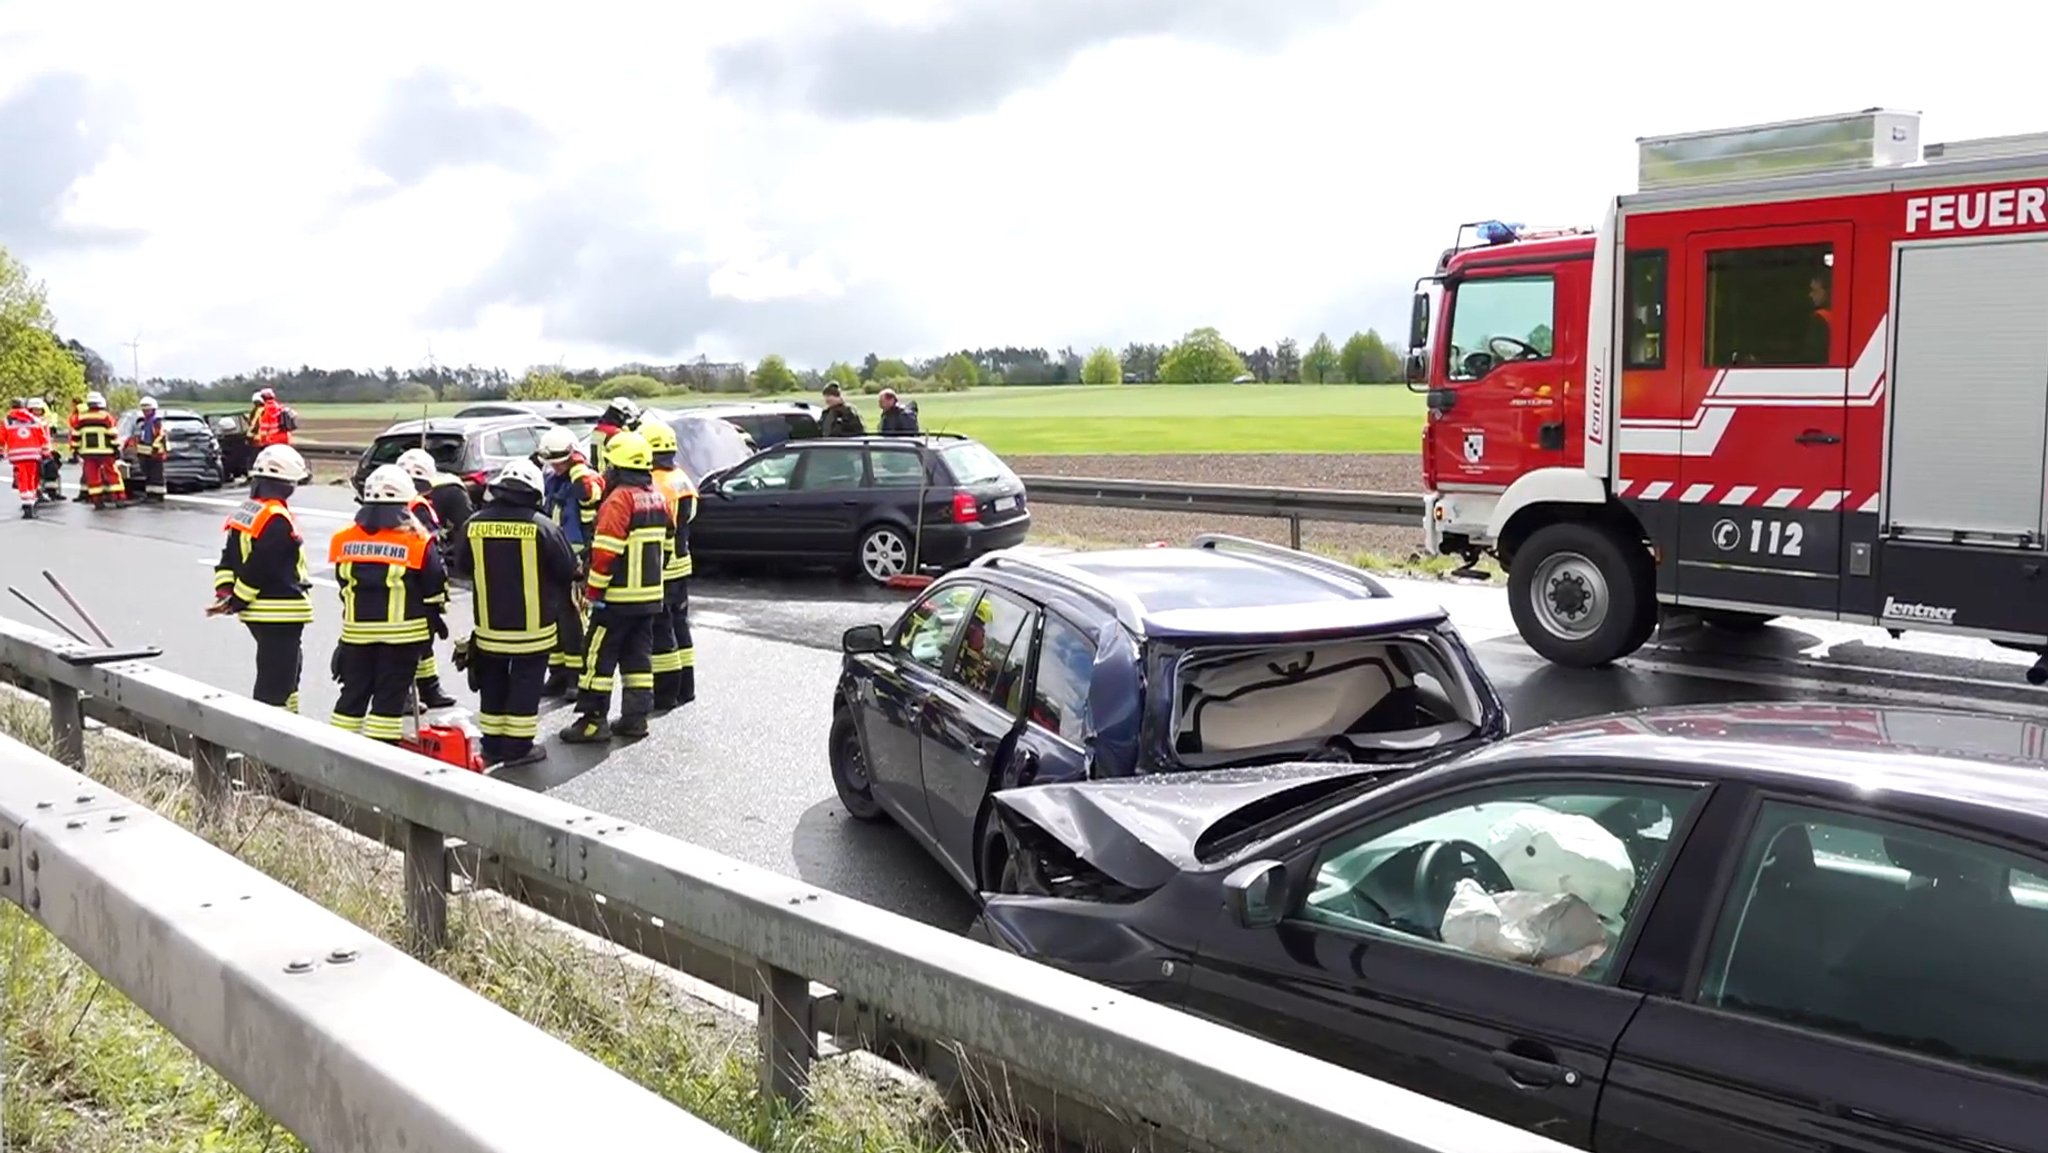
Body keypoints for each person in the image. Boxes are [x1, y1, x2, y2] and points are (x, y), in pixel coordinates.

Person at [458, 459, 577, 768]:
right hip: (533, 630)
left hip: (489, 627)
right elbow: (567, 570)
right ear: (534, 492)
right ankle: (518, 749)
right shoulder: (543, 526)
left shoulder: (474, 524)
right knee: (526, 684)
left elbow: (461, 566)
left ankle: (493, 745)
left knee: (493, 682)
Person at [559, 429, 672, 744]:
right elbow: (669, 546)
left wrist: (593, 592)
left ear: (618, 467)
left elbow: (606, 554)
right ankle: (636, 719)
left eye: (609, 465)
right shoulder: (659, 497)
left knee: (597, 657)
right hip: (650, 599)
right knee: (638, 659)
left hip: (617, 599)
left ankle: (593, 722)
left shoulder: (619, 500)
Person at [328, 465, 449, 743]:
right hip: (404, 637)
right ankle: (380, 759)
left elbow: (343, 583)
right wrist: (434, 617)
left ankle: (335, 751)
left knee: (352, 696)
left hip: (356, 634)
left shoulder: (344, 539)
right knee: (388, 700)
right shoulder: (417, 542)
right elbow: (434, 587)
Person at [207, 445, 314, 712]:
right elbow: (261, 565)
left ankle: (290, 725)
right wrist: (239, 599)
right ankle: (267, 743)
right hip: (279, 611)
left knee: (287, 675)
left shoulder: (246, 512)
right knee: (275, 686)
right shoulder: (276, 518)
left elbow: (228, 558)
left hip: (260, 614)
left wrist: (226, 593)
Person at [392, 447, 467, 708]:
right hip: (413, 584)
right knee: (410, 643)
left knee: (423, 641)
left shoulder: (390, 503)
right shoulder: (418, 507)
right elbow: (428, 551)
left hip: (402, 581)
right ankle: (404, 695)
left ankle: (429, 689)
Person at [537, 426, 605, 698]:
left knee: (574, 619)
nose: (554, 465)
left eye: (560, 460)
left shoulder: (586, 478)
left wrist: (577, 466)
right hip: (554, 557)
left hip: (578, 560)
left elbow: (589, 495)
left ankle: (577, 677)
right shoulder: (554, 479)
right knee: (554, 618)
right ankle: (558, 674)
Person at [642, 419, 698, 711]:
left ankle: (665, 695)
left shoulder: (655, 483)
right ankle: (686, 689)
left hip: (662, 567)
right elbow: (689, 518)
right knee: (680, 626)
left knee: (662, 632)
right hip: (682, 563)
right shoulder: (681, 478)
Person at [72, 391, 124, 509]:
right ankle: (119, 498)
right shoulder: (105, 416)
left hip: (87, 453)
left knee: (92, 476)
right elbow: (112, 434)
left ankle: (97, 501)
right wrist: (116, 448)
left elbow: (75, 435)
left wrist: (75, 449)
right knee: (112, 474)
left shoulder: (81, 417)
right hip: (105, 452)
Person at [5, 399, 50, 519]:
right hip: (33, 455)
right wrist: (46, 452)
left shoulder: (7, 421)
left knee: (22, 481)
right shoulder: (34, 420)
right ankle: (31, 505)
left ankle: (27, 506)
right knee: (32, 480)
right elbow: (43, 437)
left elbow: (1, 438)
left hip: (17, 456)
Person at [131, 395, 169, 501]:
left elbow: (160, 436)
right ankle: (150, 494)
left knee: (156, 475)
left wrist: (155, 448)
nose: (145, 412)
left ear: (153, 409)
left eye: (148, 410)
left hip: (156, 454)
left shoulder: (157, 421)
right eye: (144, 410)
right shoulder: (144, 422)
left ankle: (158, 495)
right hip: (146, 453)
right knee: (149, 475)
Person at [590, 397, 641, 467]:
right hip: (609, 472)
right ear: (620, 415)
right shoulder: (616, 433)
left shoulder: (598, 429)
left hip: (596, 470)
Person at [27, 398, 59, 501]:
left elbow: (47, 438)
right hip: (33, 452)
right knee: (36, 474)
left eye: (39, 410)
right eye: (35, 410)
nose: (38, 412)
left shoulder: (44, 423)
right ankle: (38, 492)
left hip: (45, 452)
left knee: (51, 470)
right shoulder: (28, 423)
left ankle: (52, 492)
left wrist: (49, 451)